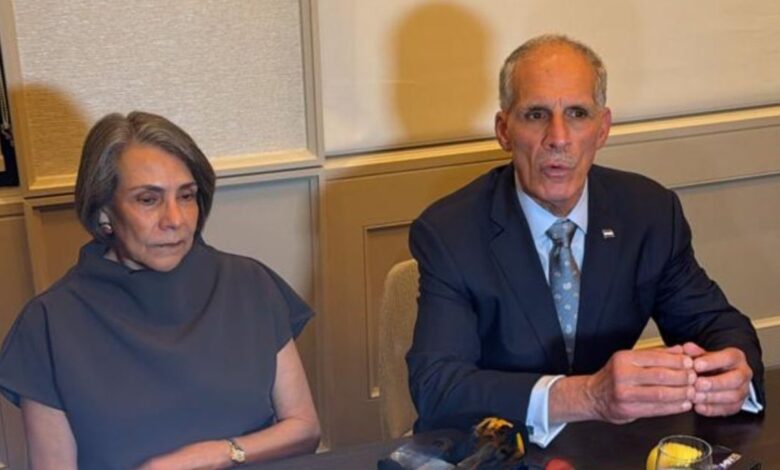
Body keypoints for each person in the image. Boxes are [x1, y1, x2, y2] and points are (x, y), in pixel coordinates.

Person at [406, 34, 764, 447]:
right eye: (536, 114)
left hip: (610, 448)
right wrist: (586, 396)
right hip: (497, 450)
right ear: (504, 131)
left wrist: (731, 377)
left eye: (577, 113)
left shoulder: (648, 212)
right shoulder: (450, 232)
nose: (558, 137)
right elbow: (439, 388)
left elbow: (716, 324)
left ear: (603, 128)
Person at [0, 111, 320, 469]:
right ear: (104, 209)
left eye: (186, 196)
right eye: (148, 199)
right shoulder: (49, 323)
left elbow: (304, 429)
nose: (175, 220)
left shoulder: (249, 283)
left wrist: (217, 454)